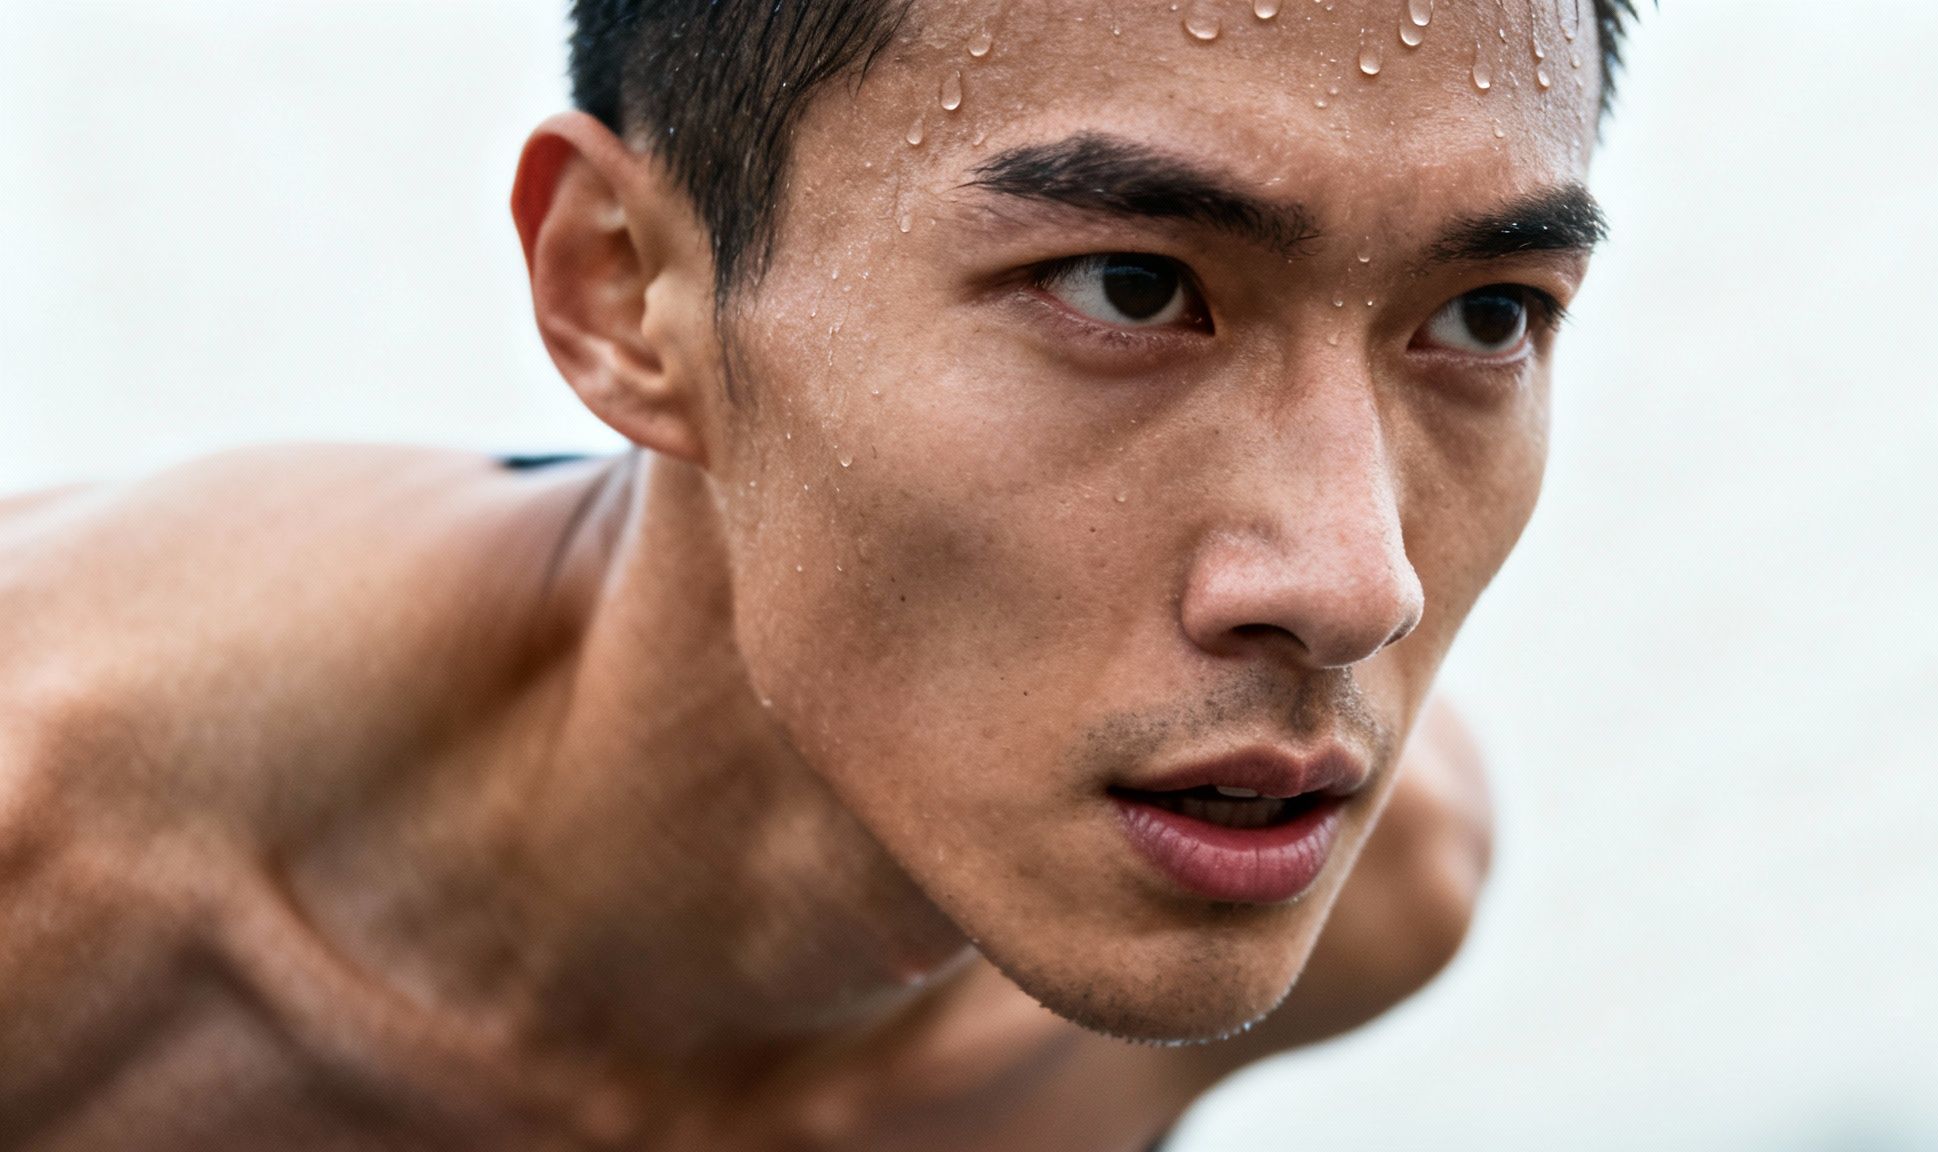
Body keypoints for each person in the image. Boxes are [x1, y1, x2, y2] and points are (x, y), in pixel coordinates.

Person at [0, 0, 1634, 1147]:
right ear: (623, 288)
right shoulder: (56, 867)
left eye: (1486, 314)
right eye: (1132, 288)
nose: (1359, 586)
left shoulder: (1366, 898)